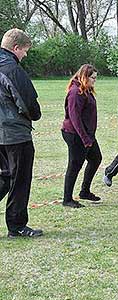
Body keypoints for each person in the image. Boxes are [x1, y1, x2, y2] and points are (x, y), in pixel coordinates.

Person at [0, 28, 43, 237]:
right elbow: (28, 104)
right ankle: (16, 225)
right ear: (15, 48)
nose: (25, 55)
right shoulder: (12, 70)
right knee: (20, 179)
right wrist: (34, 115)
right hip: (15, 134)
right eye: (24, 51)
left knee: (5, 177)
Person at [61, 64, 102, 208]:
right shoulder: (75, 92)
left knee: (96, 158)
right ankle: (67, 199)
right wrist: (85, 139)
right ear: (85, 76)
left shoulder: (86, 90)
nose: (94, 81)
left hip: (87, 134)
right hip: (75, 134)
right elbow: (74, 118)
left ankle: (85, 191)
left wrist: (89, 136)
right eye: (93, 78)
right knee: (74, 165)